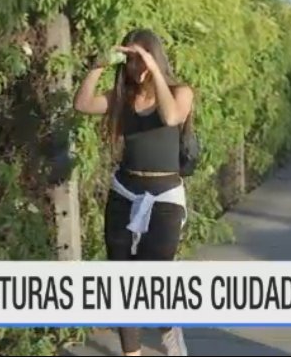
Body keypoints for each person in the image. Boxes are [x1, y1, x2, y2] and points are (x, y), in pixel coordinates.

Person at [73, 28, 193, 357]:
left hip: (165, 196)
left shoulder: (180, 92)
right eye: (130, 60)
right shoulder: (122, 98)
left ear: (155, 58)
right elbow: (82, 104)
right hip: (125, 192)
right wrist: (98, 65)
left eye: (141, 59)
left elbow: (171, 116)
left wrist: (154, 70)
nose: (135, 67)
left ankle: (167, 323)